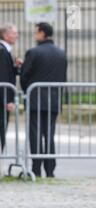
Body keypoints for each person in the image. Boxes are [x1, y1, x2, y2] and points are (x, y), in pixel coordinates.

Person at [20, 22, 67, 178]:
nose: (35, 35)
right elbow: (63, 78)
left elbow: (24, 76)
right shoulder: (61, 53)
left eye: (36, 32)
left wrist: (27, 90)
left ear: (42, 33)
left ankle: (36, 168)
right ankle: (50, 169)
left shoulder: (33, 52)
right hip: (53, 100)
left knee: (35, 135)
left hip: (35, 101)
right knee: (49, 135)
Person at [0, 23, 21, 151]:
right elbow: (3, 78)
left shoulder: (5, 50)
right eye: (14, 33)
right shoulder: (2, 51)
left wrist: (15, 66)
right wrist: (8, 100)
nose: (17, 36)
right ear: (5, 35)